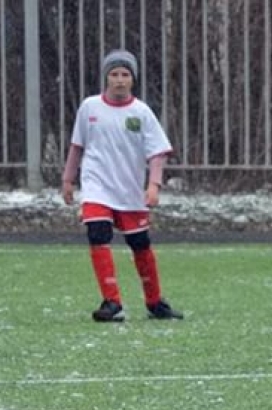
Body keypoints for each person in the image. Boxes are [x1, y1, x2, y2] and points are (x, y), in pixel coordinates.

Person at [62, 49, 182, 322]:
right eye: (114, 74)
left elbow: (157, 153)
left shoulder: (141, 112)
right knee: (97, 233)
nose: (119, 80)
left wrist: (153, 186)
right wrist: (68, 180)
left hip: (128, 190)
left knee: (139, 243)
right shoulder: (90, 107)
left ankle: (154, 302)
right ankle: (112, 302)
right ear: (106, 78)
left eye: (125, 74)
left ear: (133, 79)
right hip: (96, 186)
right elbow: (77, 146)